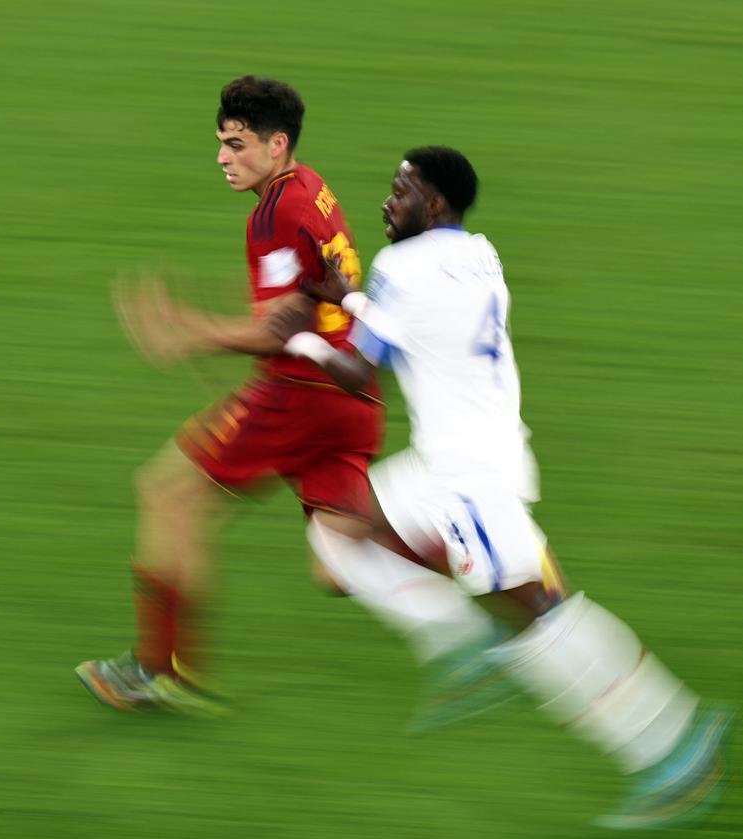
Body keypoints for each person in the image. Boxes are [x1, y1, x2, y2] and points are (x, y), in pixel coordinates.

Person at [271, 146, 732, 828]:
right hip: (455, 462)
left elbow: (359, 372)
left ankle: (673, 745)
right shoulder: (479, 255)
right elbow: (418, 323)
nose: (386, 203)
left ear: (435, 204)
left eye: (401, 192)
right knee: (336, 543)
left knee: (545, 617)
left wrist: (302, 340)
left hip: (466, 481)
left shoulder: (402, 267)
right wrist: (352, 298)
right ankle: (457, 640)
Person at [75, 78, 490, 716]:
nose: (223, 157)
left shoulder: (275, 212)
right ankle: (488, 565)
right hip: (353, 396)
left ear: (277, 144)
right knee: (340, 561)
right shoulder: (311, 189)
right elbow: (304, 302)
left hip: (302, 394)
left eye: (237, 145)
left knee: (168, 493)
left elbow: (282, 327)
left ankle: (159, 670)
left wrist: (186, 331)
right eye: (220, 144)